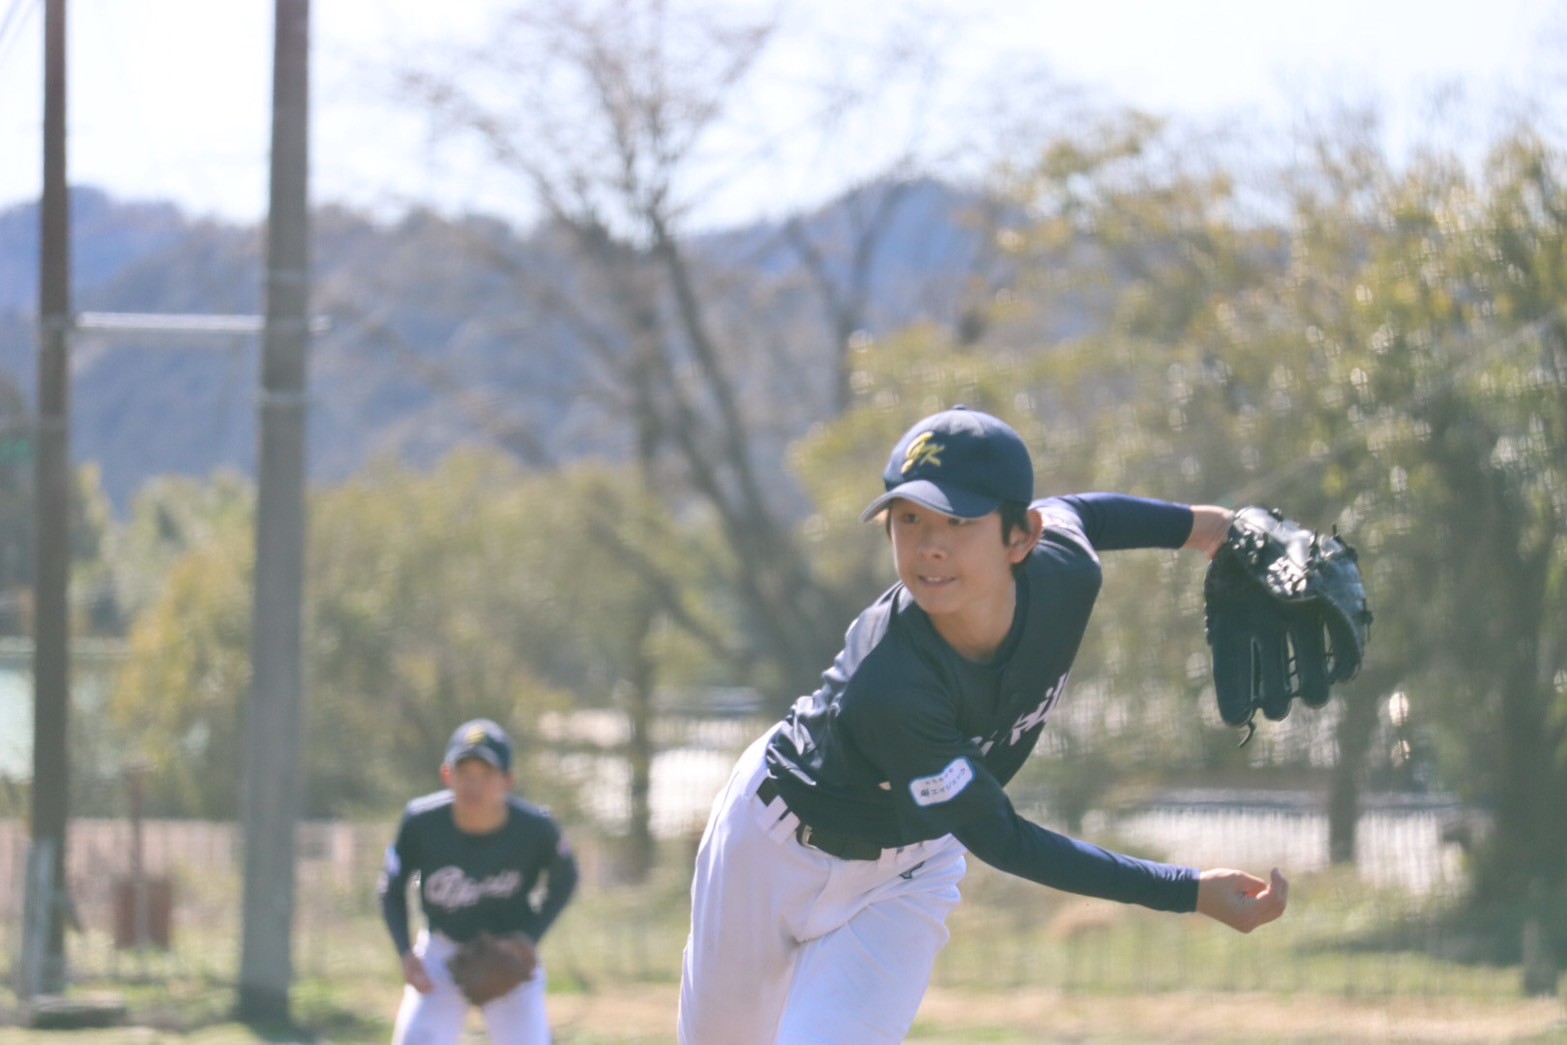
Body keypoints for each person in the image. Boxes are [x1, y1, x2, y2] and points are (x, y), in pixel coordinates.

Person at [678, 405, 1289, 1044]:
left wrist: (1215, 529)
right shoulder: (891, 685)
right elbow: (1004, 839)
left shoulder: (1066, 571)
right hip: (770, 851)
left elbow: (1086, 514)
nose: (930, 544)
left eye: (959, 520)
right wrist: (1187, 890)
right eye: (909, 518)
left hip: (903, 876)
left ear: (1021, 537)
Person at [379, 718, 579, 1045]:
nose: (474, 785)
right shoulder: (422, 823)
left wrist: (528, 939)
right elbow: (391, 887)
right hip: (442, 951)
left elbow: (566, 879)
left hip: (510, 956)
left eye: (487, 774)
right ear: (447, 775)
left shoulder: (535, 829)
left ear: (508, 781)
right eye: (464, 773)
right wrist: (405, 952)